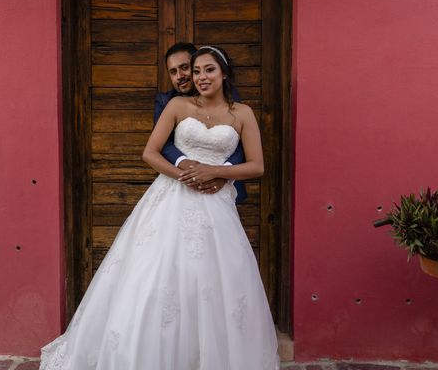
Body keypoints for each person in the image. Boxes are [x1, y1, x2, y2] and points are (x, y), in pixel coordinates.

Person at [40, 46, 279, 370]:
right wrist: (185, 174)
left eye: (208, 70)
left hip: (217, 207)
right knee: (154, 273)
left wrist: (217, 172)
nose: (200, 77)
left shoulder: (243, 114)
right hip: (170, 198)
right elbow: (151, 153)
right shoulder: (178, 105)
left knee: (211, 280)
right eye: (196, 72)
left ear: (224, 73)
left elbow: (257, 166)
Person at [155, 42, 247, 203]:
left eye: (184, 67)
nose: (179, 76)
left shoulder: (229, 100)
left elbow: (239, 143)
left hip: (221, 188)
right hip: (179, 187)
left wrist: (222, 175)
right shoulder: (167, 102)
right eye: (173, 71)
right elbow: (163, 145)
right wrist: (187, 170)